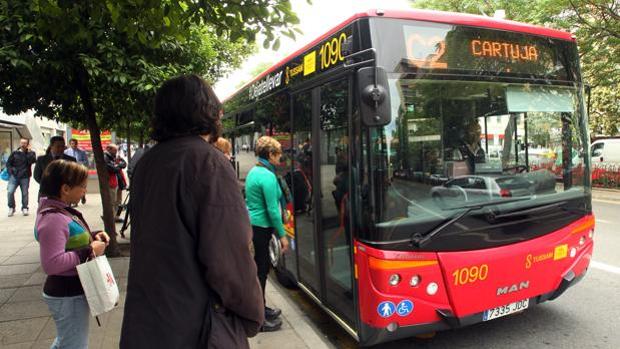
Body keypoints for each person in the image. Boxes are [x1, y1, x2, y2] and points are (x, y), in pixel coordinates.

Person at [120, 75, 264, 348]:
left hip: (150, 321)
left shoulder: (149, 162)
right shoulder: (209, 163)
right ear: (208, 111)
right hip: (196, 327)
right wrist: (253, 312)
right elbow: (230, 257)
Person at [36, 159, 110, 349]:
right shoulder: (53, 218)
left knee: (66, 340)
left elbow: (68, 238)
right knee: (74, 344)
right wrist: (89, 249)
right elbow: (51, 263)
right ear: (65, 189)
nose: (85, 191)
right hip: (67, 294)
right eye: (83, 187)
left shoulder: (57, 211)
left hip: (69, 291)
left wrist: (93, 236)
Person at [245, 136, 291, 332]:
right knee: (261, 271)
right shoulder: (268, 176)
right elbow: (272, 210)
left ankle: (261, 308)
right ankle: (259, 318)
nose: (280, 158)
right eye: (278, 154)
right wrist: (282, 235)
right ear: (270, 154)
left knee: (260, 270)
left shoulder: (255, 171)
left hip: (254, 226)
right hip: (262, 228)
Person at [6, 138, 36, 216]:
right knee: (10, 192)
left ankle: (25, 207)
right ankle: (11, 207)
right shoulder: (15, 153)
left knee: (25, 193)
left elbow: (31, 161)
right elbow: (8, 163)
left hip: (25, 176)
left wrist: (29, 152)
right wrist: (10, 172)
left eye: (25, 143)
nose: (23, 144)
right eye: (21, 143)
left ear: (28, 144)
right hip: (14, 176)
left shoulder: (31, 153)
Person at [104, 144, 127, 222]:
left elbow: (124, 164)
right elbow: (112, 169)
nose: (116, 152)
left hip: (118, 183)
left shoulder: (114, 157)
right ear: (109, 149)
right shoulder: (106, 157)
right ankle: (111, 218)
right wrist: (119, 165)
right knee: (112, 202)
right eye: (115, 150)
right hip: (111, 183)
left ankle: (116, 216)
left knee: (118, 201)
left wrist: (118, 165)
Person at [64, 138, 89, 204]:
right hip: (70, 170)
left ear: (77, 144)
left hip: (79, 170)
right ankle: (74, 200)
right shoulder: (66, 152)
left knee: (80, 183)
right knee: (72, 184)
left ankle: (83, 195)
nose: (74, 145)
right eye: (72, 144)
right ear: (70, 144)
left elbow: (86, 162)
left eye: (75, 144)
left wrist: (79, 163)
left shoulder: (82, 152)